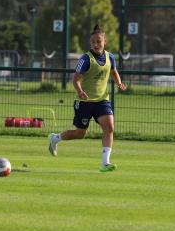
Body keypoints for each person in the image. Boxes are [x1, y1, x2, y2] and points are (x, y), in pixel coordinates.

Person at [48, 24, 127, 172]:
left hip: (102, 100)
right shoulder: (85, 59)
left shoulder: (110, 57)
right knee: (80, 133)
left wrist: (119, 83)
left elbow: (113, 72)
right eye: (93, 42)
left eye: (98, 41)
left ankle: (105, 163)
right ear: (90, 43)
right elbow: (75, 79)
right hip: (84, 102)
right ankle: (55, 138)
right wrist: (80, 91)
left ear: (105, 41)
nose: (96, 44)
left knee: (109, 127)